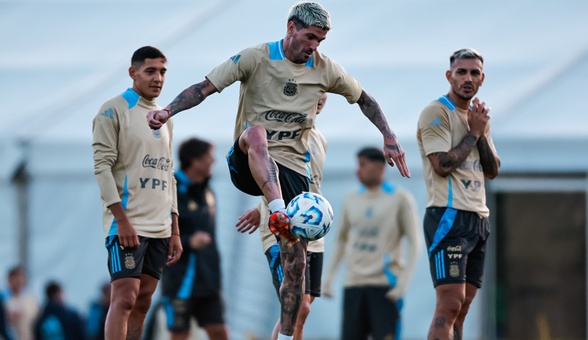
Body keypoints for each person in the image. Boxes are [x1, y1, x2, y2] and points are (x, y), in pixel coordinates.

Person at [146, 3, 411, 338]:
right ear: (290, 28)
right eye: (310, 36)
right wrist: (167, 111)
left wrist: (389, 136)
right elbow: (203, 88)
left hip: (293, 176)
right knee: (257, 134)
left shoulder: (326, 69)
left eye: (321, 40)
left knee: (298, 279)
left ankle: (284, 335)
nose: (314, 45)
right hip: (247, 159)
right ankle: (277, 211)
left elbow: (365, 99)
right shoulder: (255, 58)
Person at [92, 45, 183, 339]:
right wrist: (121, 219)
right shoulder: (113, 109)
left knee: (143, 302)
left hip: (161, 227)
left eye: (162, 72)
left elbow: (169, 175)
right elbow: (102, 168)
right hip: (127, 224)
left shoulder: (165, 116)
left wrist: (175, 230)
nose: (158, 78)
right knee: (125, 298)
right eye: (150, 71)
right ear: (133, 73)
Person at [416, 48, 500, 340]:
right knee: (449, 304)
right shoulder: (436, 112)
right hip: (448, 215)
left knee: (462, 307)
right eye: (461, 72)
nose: (468, 78)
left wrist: (480, 130)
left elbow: (492, 169)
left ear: (482, 78)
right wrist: (474, 134)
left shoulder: (477, 117)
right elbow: (442, 165)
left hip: (478, 218)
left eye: (474, 73)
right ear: (449, 75)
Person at [236, 93, 329, 340]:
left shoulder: (320, 139)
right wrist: (263, 208)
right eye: (313, 91)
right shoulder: (279, 135)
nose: (318, 97)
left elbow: (306, 186)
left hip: (313, 233)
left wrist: (257, 208)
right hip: (282, 230)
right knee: (298, 307)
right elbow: (268, 177)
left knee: (303, 307)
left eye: (323, 91)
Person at [322, 146, 421, 340]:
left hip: (385, 287)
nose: (357, 170)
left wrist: (403, 284)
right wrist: (329, 279)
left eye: (362, 165)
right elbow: (341, 240)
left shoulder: (400, 198)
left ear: (379, 166)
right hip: (353, 284)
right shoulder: (352, 198)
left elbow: (415, 242)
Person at [160, 137, 229, 340]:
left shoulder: (208, 192)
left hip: (209, 280)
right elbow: (158, 233)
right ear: (194, 160)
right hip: (181, 280)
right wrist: (189, 242)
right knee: (180, 334)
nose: (213, 161)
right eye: (209, 156)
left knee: (220, 332)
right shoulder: (170, 190)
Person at [3, 265, 39, 340]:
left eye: (22, 277)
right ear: (9, 280)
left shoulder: (31, 300)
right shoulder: (3, 299)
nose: (20, 281)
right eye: (16, 278)